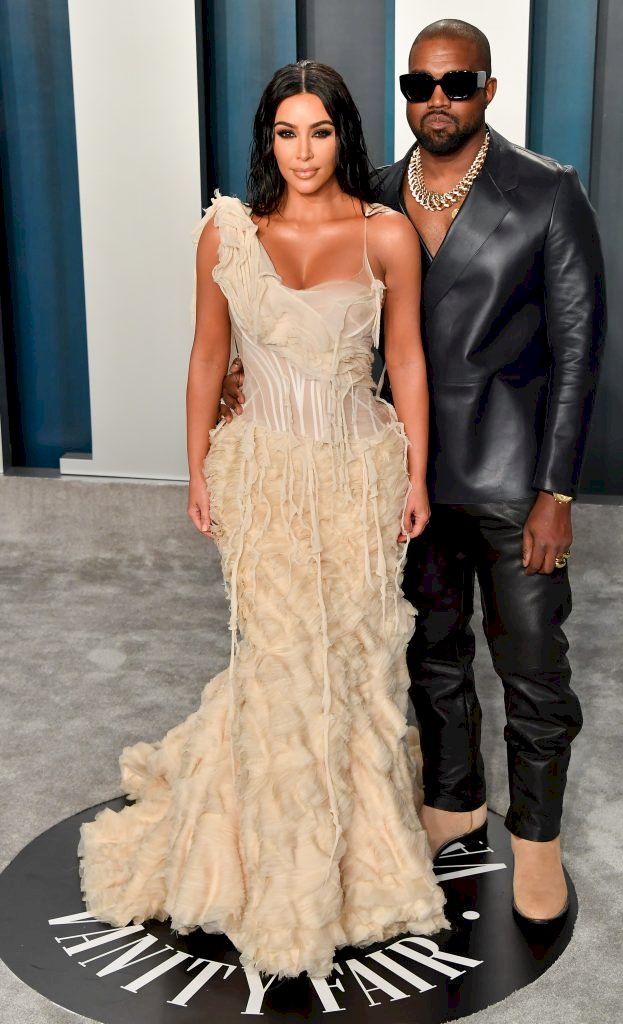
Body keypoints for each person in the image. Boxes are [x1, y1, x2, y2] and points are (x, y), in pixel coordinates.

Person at [222, 21, 606, 926]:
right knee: (429, 651)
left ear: (488, 89)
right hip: (401, 471)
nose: (437, 98)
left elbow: (580, 348)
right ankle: (453, 802)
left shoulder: (546, 191)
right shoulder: (378, 192)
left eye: (457, 82)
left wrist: (558, 491)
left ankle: (535, 841)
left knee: (533, 667)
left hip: (514, 479)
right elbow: (331, 313)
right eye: (419, 82)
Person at [78, 60, 447, 981]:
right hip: (263, 477)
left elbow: (405, 361)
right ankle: (275, 871)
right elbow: (207, 356)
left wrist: (418, 477)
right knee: (280, 662)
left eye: (319, 132)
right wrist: (197, 469)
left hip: (360, 471)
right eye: (287, 132)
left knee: (355, 659)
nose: (304, 151)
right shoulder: (227, 233)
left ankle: (357, 858)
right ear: (266, 140)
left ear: (345, 137)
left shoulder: (387, 235)